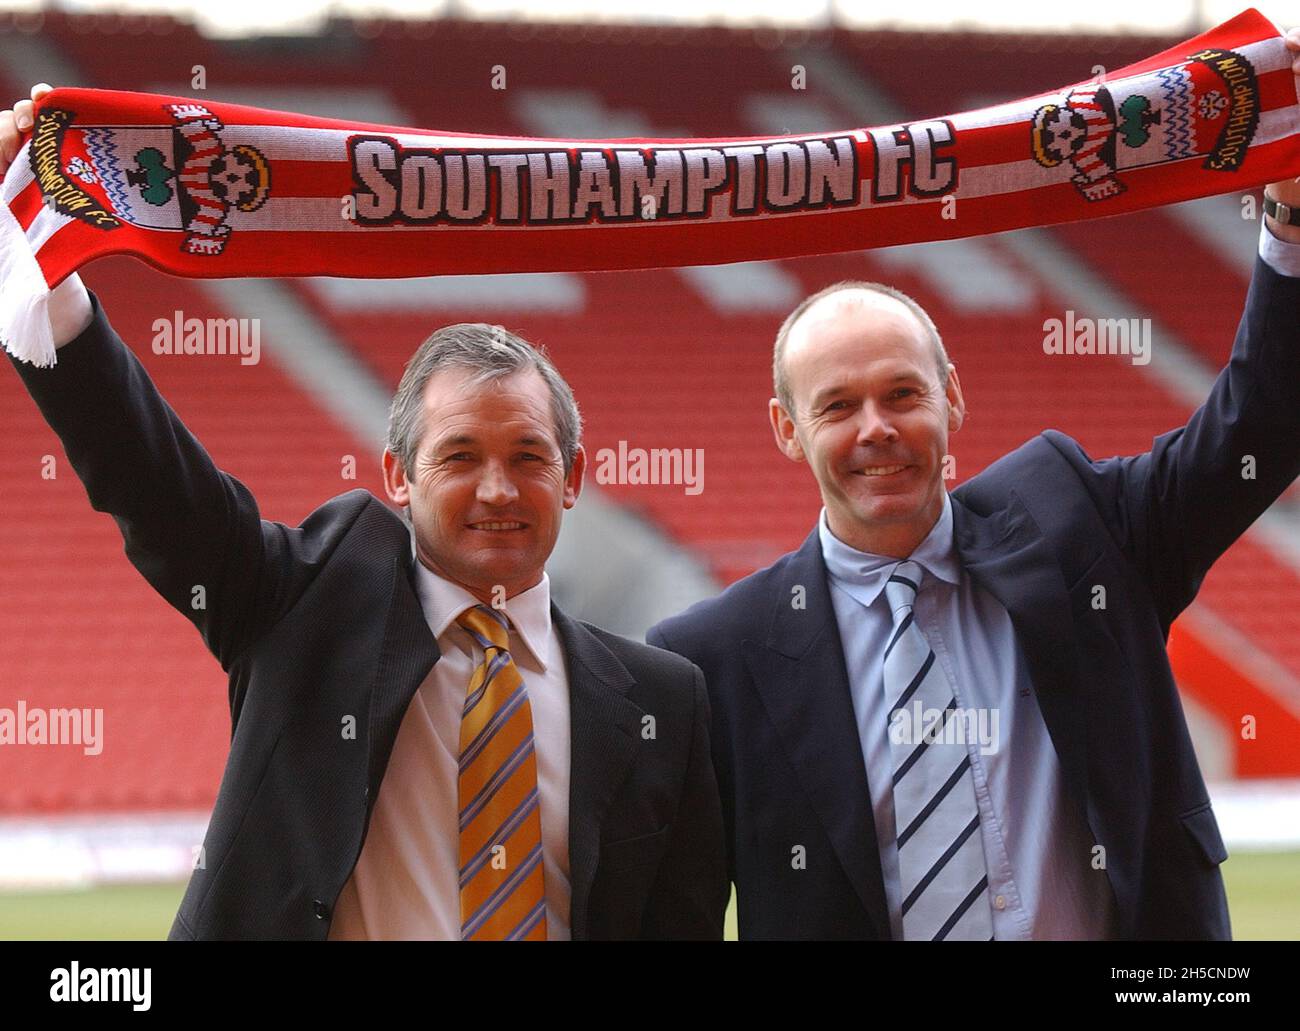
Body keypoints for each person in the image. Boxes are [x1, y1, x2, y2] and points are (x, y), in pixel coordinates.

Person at [1, 83, 726, 941]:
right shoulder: (301, 609)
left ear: (573, 476)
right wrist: (45, 258)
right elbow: (153, 483)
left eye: (528, 457)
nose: (497, 489)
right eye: (459, 456)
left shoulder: (662, 704)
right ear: (398, 474)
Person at [648, 30, 1300, 943]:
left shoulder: (1082, 529)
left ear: (952, 397)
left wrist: (1291, 218)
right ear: (787, 430)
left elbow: (1264, 422)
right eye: (838, 405)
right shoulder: (713, 656)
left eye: (903, 393)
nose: (876, 428)